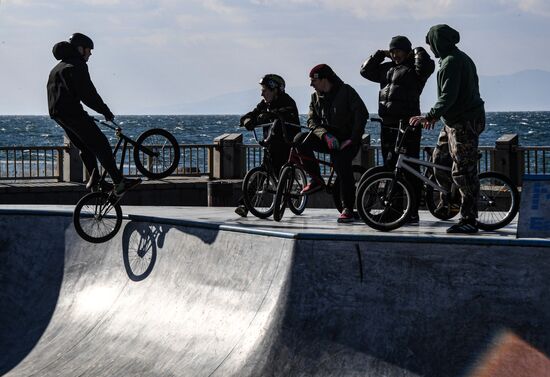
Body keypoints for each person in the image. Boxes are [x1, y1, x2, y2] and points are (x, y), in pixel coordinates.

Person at [410, 24, 485, 234]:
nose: (431, 49)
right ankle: (450, 200)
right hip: (452, 120)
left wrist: (430, 115)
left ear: (439, 42)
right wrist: (439, 116)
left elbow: (448, 96)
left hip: (464, 121)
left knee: (463, 170)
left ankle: (469, 219)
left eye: (432, 44)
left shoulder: (453, 62)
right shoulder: (452, 59)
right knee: (439, 159)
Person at [47, 32, 141, 194]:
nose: (90, 53)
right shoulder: (77, 65)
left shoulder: (58, 68)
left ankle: (96, 180)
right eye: (89, 50)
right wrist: (105, 111)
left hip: (59, 115)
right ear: (80, 49)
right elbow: (88, 94)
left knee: (86, 147)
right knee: (101, 144)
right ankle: (119, 181)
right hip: (72, 113)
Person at [360, 35, 435, 223]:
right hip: (388, 125)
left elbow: (427, 66)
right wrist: (380, 54)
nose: (395, 55)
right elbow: (364, 71)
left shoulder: (414, 70)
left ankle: (412, 211)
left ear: (407, 51)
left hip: (408, 125)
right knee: (390, 166)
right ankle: (393, 210)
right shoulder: (386, 68)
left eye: (398, 51)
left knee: (409, 168)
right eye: (392, 51)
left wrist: (417, 50)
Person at [297, 64, 368, 223]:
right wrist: (325, 135)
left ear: (324, 79)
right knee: (299, 140)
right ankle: (316, 180)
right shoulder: (315, 97)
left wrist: (352, 139)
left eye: (314, 81)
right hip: (328, 138)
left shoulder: (346, 92)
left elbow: (362, 114)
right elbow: (311, 120)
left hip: (347, 140)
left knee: (341, 163)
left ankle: (348, 209)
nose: (311, 85)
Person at [235, 74, 300, 217]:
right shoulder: (265, 103)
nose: (262, 93)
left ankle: (286, 194)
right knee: (263, 173)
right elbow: (253, 113)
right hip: (271, 143)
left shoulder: (288, 102)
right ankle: (244, 205)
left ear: (275, 89)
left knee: (279, 172)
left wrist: (269, 115)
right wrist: (247, 120)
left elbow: (284, 113)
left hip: (286, 144)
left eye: (265, 90)